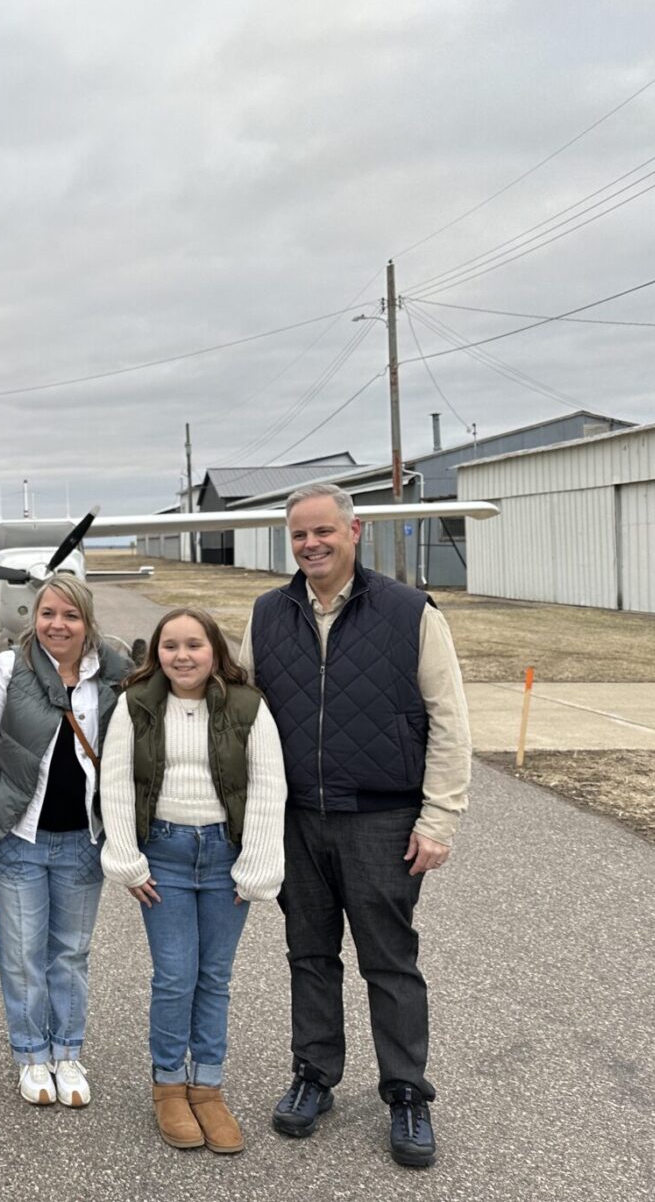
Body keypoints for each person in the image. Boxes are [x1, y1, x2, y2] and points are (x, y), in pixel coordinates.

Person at [239, 483, 472, 1169]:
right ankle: (314, 1075)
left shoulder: (410, 613)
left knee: (389, 960)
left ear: (354, 530)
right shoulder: (267, 612)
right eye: (299, 535)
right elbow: (240, 708)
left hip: (381, 815)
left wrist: (440, 817)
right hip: (296, 817)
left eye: (323, 532)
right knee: (309, 955)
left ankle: (407, 1091)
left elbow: (451, 718)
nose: (310, 544)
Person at [99, 607, 286, 1154]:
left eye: (194, 645)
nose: (182, 656)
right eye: (170, 645)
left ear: (214, 651)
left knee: (215, 977)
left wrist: (255, 865)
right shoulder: (135, 705)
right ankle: (168, 1088)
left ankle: (207, 1087)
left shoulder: (249, 707)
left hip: (225, 856)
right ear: (156, 651)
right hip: (166, 856)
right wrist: (128, 860)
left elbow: (269, 788)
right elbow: (115, 782)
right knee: (175, 976)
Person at [0, 574, 133, 1107]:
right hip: (20, 839)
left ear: (87, 622)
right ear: (33, 618)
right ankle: (32, 1054)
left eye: (70, 615)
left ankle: (67, 1052)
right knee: (21, 956)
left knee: (70, 955)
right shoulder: (7, 669)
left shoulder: (113, 672)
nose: (57, 625)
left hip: (83, 841)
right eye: (47, 614)